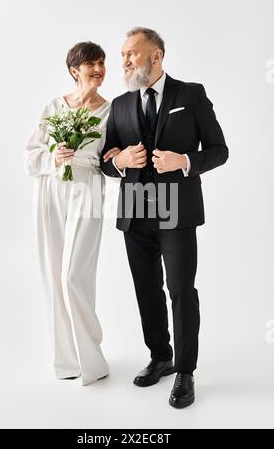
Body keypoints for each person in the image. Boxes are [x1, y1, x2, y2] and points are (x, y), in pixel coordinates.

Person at [100, 27, 229, 408]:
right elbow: (107, 159)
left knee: (180, 289)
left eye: (131, 54)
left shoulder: (190, 94)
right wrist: (120, 161)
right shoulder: (120, 104)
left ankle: (186, 372)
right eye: (122, 54)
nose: (123, 60)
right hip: (135, 209)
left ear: (156, 56)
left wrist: (185, 161)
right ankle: (161, 357)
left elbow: (219, 150)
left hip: (177, 206)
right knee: (146, 289)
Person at [24, 42, 120, 385]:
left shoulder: (112, 111)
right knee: (52, 274)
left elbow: (111, 157)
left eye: (101, 63)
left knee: (73, 275)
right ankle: (66, 361)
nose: (98, 69)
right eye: (91, 64)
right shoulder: (53, 106)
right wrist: (54, 158)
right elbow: (30, 156)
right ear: (73, 70)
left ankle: (91, 357)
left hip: (89, 190)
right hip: (50, 190)